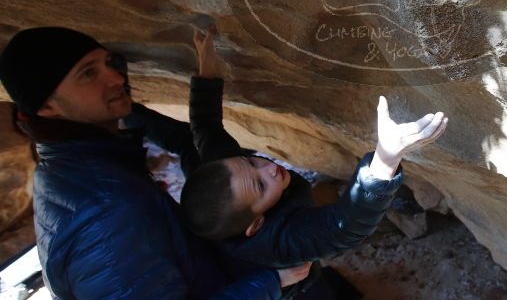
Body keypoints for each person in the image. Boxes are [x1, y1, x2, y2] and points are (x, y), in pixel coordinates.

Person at [0, 27, 310, 300]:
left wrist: (205, 80)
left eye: (110, 62)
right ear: (46, 106)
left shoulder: (79, 164)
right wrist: (271, 283)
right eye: (88, 74)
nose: (116, 78)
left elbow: (191, 145)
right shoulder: (104, 215)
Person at [126, 26, 448, 280]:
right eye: (261, 185)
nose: (267, 169)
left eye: (251, 160)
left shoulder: (229, 175)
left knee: (189, 142)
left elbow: (205, 126)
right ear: (256, 224)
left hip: (237, 214)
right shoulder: (283, 241)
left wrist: (206, 62)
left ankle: (130, 114)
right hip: (267, 279)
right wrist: (385, 158)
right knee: (301, 276)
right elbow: (345, 225)